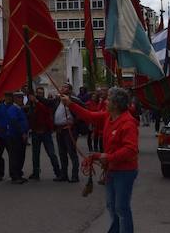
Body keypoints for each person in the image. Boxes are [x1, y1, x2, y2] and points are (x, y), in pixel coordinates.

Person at [62, 87, 139, 233]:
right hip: (111, 169)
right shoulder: (108, 116)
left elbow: (131, 150)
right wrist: (70, 104)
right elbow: (89, 116)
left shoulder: (128, 123)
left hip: (125, 171)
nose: (105, 101)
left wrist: (108, 157)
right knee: (111, 206)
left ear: (116, 104)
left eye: (108, 99)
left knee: (121, 208)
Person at [0, 91, 28, 184]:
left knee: (13, 156)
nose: (8, 98)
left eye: (10, 97)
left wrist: (23, 132)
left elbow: (22, 120)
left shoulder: (16, 107)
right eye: (7, 96)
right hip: (0, 135)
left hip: (11, 135)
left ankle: (15, 174)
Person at [28, 86, 61, 181]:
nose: (39, 95)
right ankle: (36, 172)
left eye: (41, 93)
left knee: (51, 153)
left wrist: (37, 102)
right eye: (38, 93)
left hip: (45, 132)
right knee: (35, 154)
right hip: (35, 132)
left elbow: (46, 111)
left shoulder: (47, 103)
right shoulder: (31, 104)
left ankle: (58, 172)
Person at [53, 82, 80, 182]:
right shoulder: (57, 100)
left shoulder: (74, 100)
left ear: (69, 90)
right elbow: (48, 103)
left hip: (69, 130)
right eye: (62, 86)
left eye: (65, 87)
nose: (62, 88)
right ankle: (63, 174)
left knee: (72, 153)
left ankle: (74, 175)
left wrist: (73, 122)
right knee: (62, 153)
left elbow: (82, 111)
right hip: (59, 130)